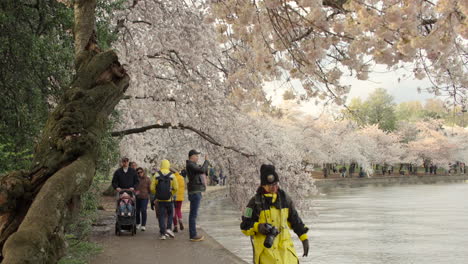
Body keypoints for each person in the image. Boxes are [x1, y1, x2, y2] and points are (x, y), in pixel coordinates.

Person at [240, 164, 309, 264]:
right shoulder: (254, 203)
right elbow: (244, 226)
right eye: (270, 185)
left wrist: (304, 238)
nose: (274, 187)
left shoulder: (285, 199)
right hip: (266, 255)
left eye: (276, 184)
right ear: (263, 185)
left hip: (287, 255)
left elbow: (295, 220)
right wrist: (258, 227)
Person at [151, 160, 178, 240]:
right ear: (168, 165)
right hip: (169, 199)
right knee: (170, 214)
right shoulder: (172, 175)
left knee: (161, 216)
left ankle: (163, 234)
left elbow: (152, 188)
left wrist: (157, 193)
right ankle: (169, 228)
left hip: (160, 200)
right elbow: (176, 188)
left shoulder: (156, 174)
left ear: (161, 165)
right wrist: (171, 194)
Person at [186, 149, 209, 241]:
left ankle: (193, 234)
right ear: (192, 156)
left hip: (196, 191)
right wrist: (206, 161)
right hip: (194, 192)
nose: (198, 157)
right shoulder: (190, 165)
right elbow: (202, 170)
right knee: (193, 214)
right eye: (196, 155)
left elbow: (203, 171)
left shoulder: (192, 165)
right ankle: (193, 235)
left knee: (193, 214)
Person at [171, 168, 185, 232]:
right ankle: (180, 220)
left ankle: (175, 226)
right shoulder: (181, 177)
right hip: (180, 197)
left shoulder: (172, 178)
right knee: (178, 210)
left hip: (173, 197)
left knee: (173, 212)